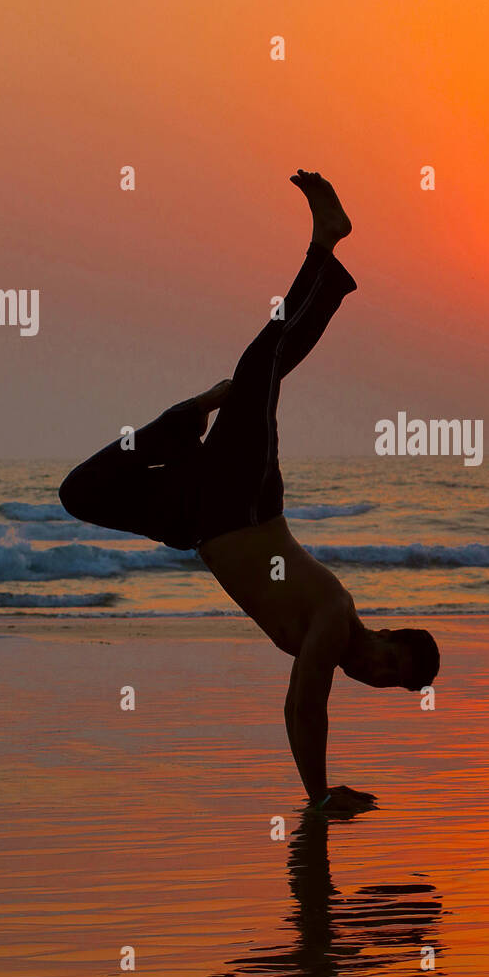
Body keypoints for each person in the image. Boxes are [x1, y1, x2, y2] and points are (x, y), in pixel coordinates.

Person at [59, 171, 440, 814]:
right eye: (387, 659)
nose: (374, 672)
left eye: (386, 682)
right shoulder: (331, 616)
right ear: (389, 633)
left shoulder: (331, 637)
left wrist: (317, 798)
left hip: (197, 519)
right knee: (259, 367)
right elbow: (302, 704)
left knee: (79, 494)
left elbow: (297, 708)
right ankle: (325, 248)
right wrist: (319, 796)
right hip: (245, 499)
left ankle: (185, 422)